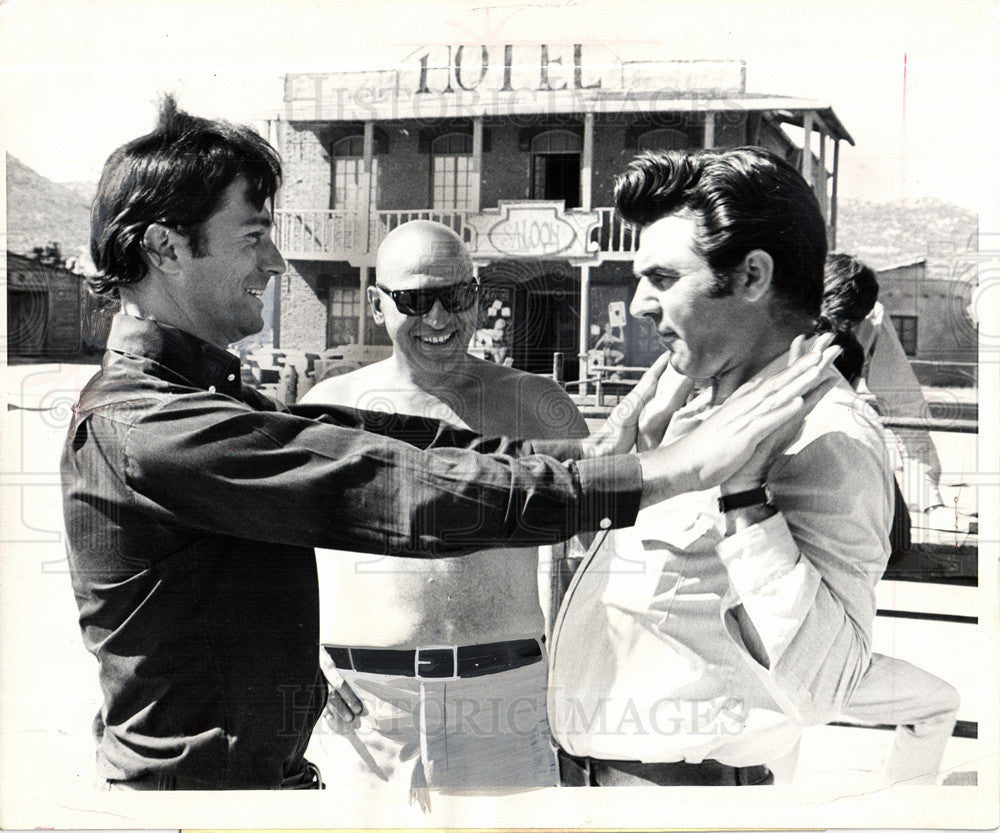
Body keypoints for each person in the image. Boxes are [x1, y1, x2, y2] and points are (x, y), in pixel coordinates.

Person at [61, 99, 837, 791]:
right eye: (254, 235)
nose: (274, 260)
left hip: (271, 782)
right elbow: (405, 488)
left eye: (457, 296)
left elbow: (420, 448)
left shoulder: (204, 404)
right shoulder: (153, 426)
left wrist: (603, 456)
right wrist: (674, 468)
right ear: (165, 247)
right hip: (201, 802)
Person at [547, 147, 893, 787]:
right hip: (594, 784)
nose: (638, 306)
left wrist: (744, 500)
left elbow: (827, 685)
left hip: (686, 799)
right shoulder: (683, 411)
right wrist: (623, 470)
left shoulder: (827, 435)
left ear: (752, 276)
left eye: (662, 279)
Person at [301, 220, 589, 798]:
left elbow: (580, 566)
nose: (438, 319)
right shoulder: (328, 409)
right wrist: (307, 667)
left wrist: (573, 707)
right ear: (378, 303)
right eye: (414, 300)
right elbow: (274, 559)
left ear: (476, 298)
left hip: (507, 703)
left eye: (454, 297)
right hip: (364, 716)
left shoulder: (537, 406)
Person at [822, 253, 960, 786]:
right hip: (821, 654)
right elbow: (907, 417)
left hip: (747, 636)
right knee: (935, 704)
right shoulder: (856, 424)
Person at [822, 253, 955, 532]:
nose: (844, 331)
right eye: (835, 323)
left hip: (834, 446)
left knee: (896, 534)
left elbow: (904, 404)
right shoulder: (782, 310)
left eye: (852, 323)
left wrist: (930, 499)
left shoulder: (872, 318)